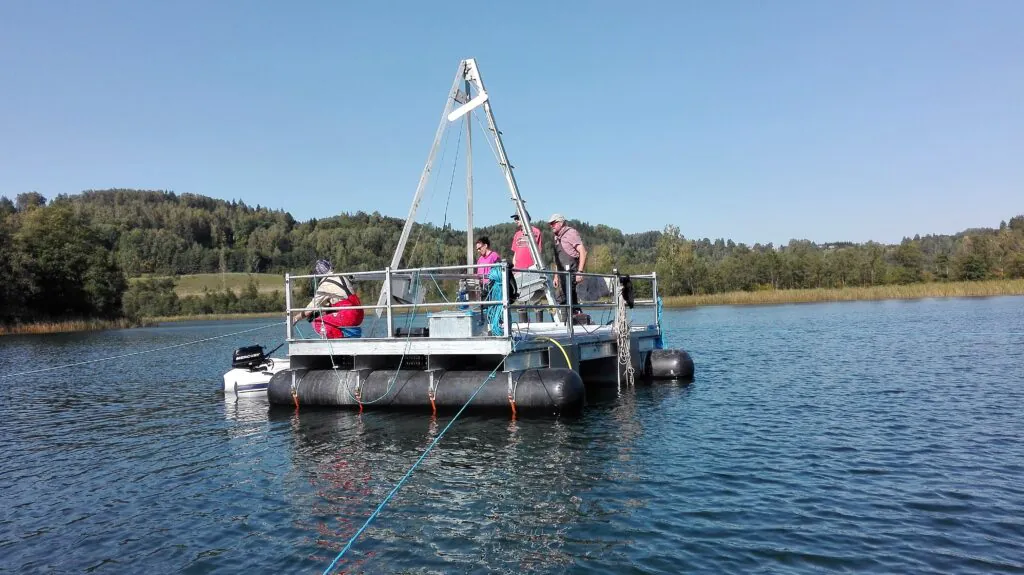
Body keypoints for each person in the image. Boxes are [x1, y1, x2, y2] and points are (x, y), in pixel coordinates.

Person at [291, 259, 364, 338]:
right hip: (359, 313)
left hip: (348, 315)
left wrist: (296, 318)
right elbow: (338, 299)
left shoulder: (325, 285)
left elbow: (312, 307)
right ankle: (353, 335)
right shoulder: (342, 277)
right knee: (329, 316)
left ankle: (341, 339)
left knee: (317, 322)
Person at [548, 213, 588, 317]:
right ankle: (571, 321)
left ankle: (573, 322)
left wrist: (580, 272)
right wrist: (556, 276)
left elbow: (583, 252)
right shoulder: (556, 238)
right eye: (550, 224)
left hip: (572, 271)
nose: (551, 226)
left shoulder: (571, 233)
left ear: (561, 223)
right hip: (561, 274)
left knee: (565, 298)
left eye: (553, 223)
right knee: (565, 298)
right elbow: (558, 259)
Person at [510, 211, 546, 323]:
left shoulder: (535, 232)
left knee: (536, 299)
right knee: (521, 299)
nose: (516, 220)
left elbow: (539, 251)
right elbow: (515, 252)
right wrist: (514, 266)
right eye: (515, 218)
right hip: (518, 270)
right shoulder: (517, 235)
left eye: (517, 218)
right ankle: (523, 325)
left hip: (532, 269)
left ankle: (539, 324)